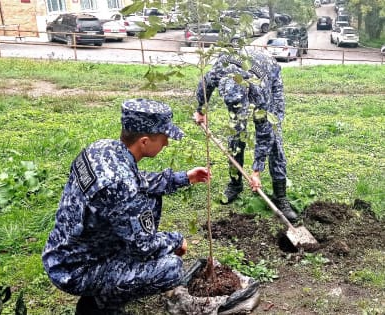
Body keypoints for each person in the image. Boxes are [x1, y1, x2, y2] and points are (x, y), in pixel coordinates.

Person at [42, 98, 210, 315]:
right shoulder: (120, 184)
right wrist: (176, 241)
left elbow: (139, 181)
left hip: (66, 250)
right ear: (144, 141)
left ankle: (103, 290)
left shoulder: (102, 149)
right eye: (164, 138)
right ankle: (98, 306)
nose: (167, 143)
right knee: (171, 268)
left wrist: (184, 178)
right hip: (76, 270)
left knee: (150, 198)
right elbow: (144, 246)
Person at [193, 47, 298, 221]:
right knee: (236, 134)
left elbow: (265, 135)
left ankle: (280, 197)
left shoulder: (259, 89)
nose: (239, 110)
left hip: (269, 72)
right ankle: (235, 184)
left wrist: (256, 170)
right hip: (243, 68)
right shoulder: (219, 72)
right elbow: (204, 84)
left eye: (241, 105)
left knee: (273, 135)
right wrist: (201, 110)